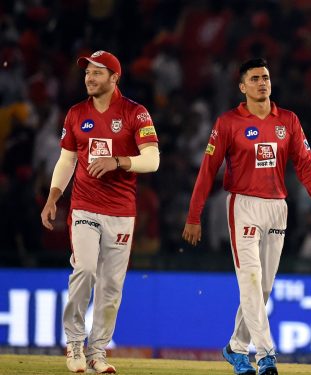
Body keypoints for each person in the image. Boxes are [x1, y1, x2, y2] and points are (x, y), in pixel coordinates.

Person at [183, 58, 311, 375]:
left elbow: (306, 163)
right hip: (243, 204)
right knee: (250, 282)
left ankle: (236, 348)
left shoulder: (288, 120)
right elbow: (207, 171)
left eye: (265, 77)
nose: (262, 82)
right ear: (242, 87)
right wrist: (194, 216)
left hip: (278, 207)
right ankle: (266, 356)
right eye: (254, 78)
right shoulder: (228, 123)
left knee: (262, 289)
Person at [40, 50, 160, 374]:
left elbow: (153, 159)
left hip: (122, 211)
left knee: (111, 286)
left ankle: (98, 352)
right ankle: (75, 344)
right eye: (87, 73)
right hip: (84, 207)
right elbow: (66, 161)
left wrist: (118, 161)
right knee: (85, 270)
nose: (89, 78)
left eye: (97, 73)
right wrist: (53, 197)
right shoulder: (76, 113)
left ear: (114, 77)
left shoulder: (136, 113)